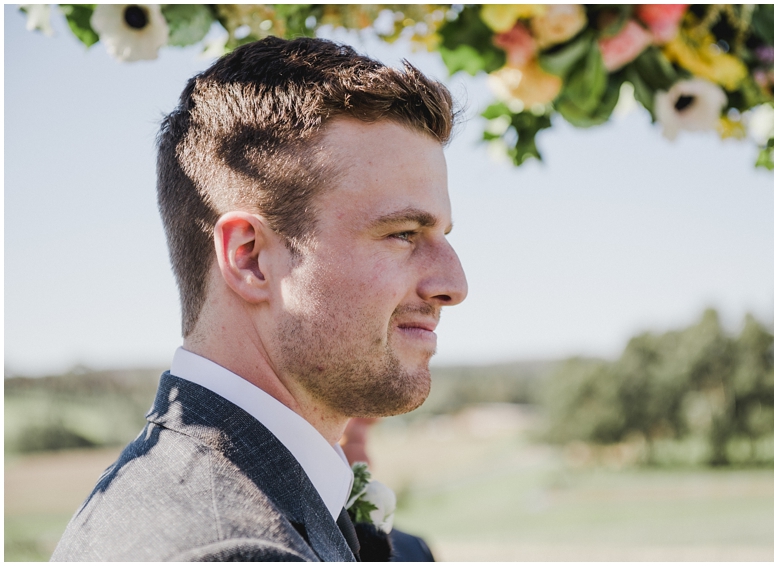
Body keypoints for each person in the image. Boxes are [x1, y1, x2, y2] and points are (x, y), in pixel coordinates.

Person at [51, 37, 466, 561]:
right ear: (249, 257)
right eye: (403, 233)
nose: (453, 284)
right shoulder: (229, 549)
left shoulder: (211, 490)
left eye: (444, 235)